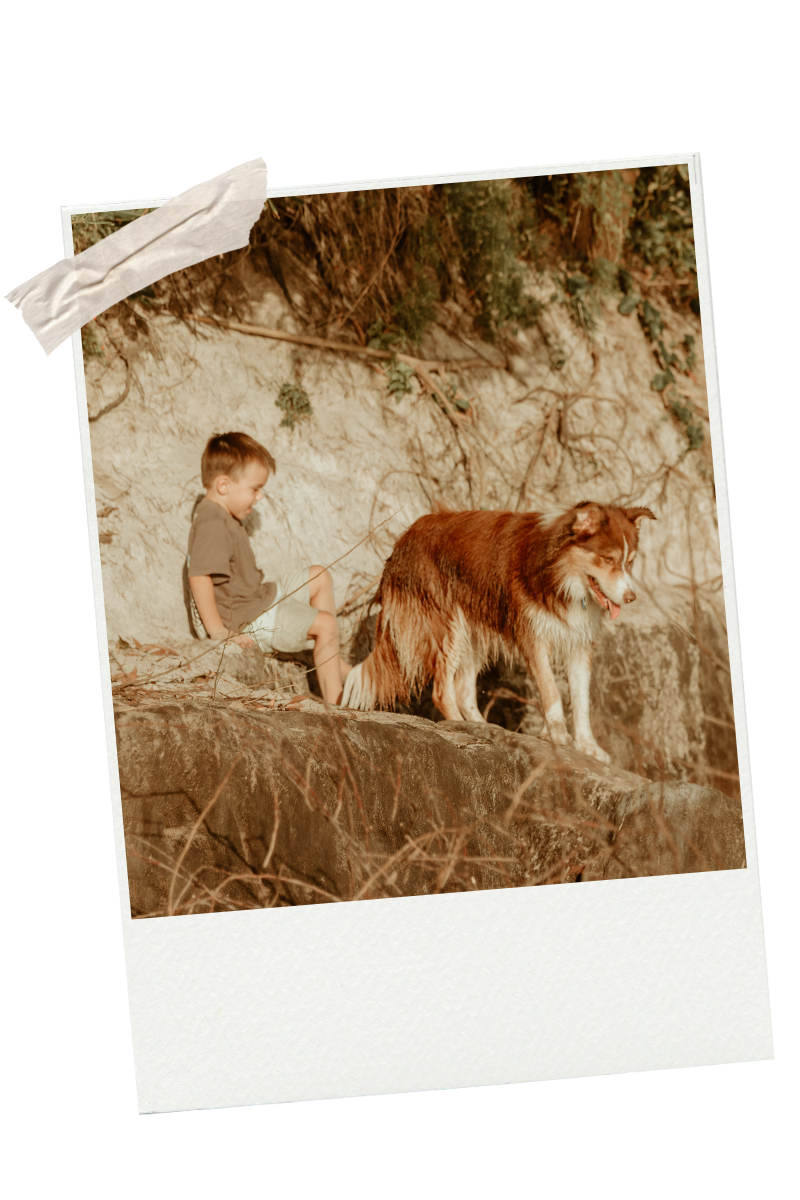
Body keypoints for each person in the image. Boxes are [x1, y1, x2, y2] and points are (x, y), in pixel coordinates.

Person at [187, 431, 351, 704]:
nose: (260, 497)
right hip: (249, 619)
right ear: (224, 485)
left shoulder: (222, 514)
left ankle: (330, 658)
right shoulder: (211, 523)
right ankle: (337, 704)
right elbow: (199, 576)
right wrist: (217, 631)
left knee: (318, 576)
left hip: (259, 599)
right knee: (326, 623)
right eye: (254, 489)